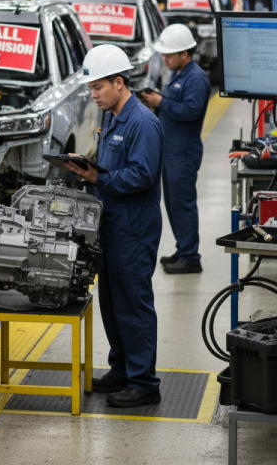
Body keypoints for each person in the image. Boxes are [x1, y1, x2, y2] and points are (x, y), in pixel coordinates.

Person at [66, 44, 163, 408]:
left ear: (119, 82)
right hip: (111, 224)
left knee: (133, 304)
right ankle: (122, 369)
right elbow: (113, 164)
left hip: (134, 230)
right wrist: (87, 166)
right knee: (111, 302)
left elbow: (142, 174)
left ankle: (144, 383)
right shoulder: (110, 117)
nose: (93, 95)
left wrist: (97, 177)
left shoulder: (142, 123)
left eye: (98, 88)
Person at [140, 23, 210, 274]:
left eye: (170, 55)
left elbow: (190, 112)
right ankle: (184, 249)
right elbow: (173, 106)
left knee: (183, 204)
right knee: (172, 203)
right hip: (170, 151)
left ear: (185, 53)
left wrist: (161, 101)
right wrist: (156, 104)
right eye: (164, 54)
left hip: (183, 152)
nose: (165, 59)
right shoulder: (178, 74)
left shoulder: (197, 78)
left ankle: (191, 257)